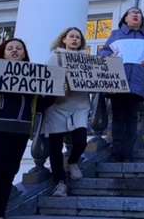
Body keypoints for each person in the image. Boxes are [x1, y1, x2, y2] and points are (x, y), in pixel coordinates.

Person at [0, 38, 38, 218]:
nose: (14, 51)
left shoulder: (34, 76)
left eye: (19, 48)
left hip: (20, 132)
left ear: (24, 53)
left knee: (9, 173)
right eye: (10, 48)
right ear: (3, 52)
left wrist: (55, 91)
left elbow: (41, 105)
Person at [99, 7, 144, 162]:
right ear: (125, 18)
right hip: (118, 82)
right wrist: (109, 56)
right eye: (132, 12)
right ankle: (116, 152)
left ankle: (128, 153)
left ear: (141, 19)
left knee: (132, 118)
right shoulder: (115, 34)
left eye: (138, 13)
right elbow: (103, 53)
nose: (135, 14)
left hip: (138, 83)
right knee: (118, 117)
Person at [41, 27, 90, 197]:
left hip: (79, 105)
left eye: (78, 37)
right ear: (64, 40)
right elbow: (48, 79)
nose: (75, 39)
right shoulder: (54, 57)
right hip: (57, 106)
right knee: (55, 147)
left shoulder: (87, 59)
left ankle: (72, 161)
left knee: (81, 140)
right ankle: (60, 183)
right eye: (71, 36)